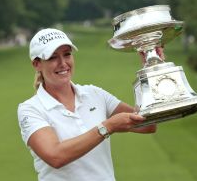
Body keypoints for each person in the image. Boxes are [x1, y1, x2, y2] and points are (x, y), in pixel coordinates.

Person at [17, 28, 157, 181]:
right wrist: (107, 127)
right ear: (37, 64)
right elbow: (55, 156)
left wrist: (150, 69)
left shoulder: (95, 94)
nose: (63, 63)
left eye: (67, 54)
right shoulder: (30, 109)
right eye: (52, 57)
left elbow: (148, 125)